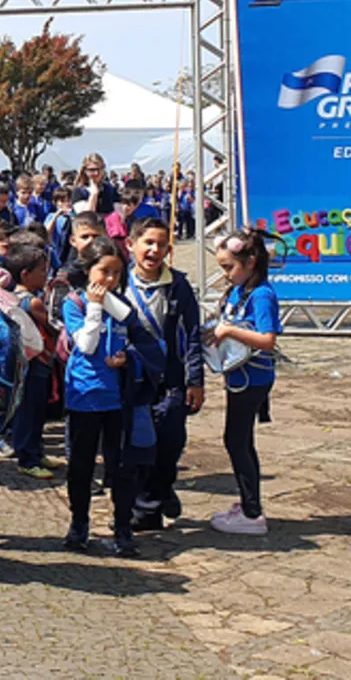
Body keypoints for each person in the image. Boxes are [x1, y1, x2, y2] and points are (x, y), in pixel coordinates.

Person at [59, 238, 156, 559]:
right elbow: (85, 345)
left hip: (118, 399)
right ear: (88, 271)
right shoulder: (74, 303)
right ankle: (78, 524)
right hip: (85, 396)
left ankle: (123, 527)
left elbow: (142, 340)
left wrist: (128, 358)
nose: (110, 280)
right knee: (81, 466)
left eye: (117, 273)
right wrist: (96, 307)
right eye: (104, 272)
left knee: (121, 466)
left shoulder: (122, 305)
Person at [125, 217, 205, 531]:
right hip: (133, 381)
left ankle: (161, 490)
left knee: (170, 444)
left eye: (160, 245)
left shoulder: (179, 286)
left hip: (171, 381)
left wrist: (195, 380)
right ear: (131, 245)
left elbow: (194, 335)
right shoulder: (119, 284)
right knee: (139, 447)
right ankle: (146, 508)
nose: (153, 250)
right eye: (148, 243)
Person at [206, 228, 282, 535]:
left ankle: (252, 513)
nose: (225, 274)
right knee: (239, 440)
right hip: (238, 374)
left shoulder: (262, 294)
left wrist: (228, 332)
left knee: (237, 441)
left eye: (229, 267)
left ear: (251, 262)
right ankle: (248, 503)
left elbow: (267, 339)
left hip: (253, 378)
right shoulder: (241, 289)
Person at [0, 242, 63, 480]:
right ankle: (28, 458)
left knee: (36, 411)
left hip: (26, 362)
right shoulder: (31, 302)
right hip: (36, 362)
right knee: (30, 412)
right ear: (25, 274)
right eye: (42, 271)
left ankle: (36, 451)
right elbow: (53, 325)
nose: (46, 275)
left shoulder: (10, 296)